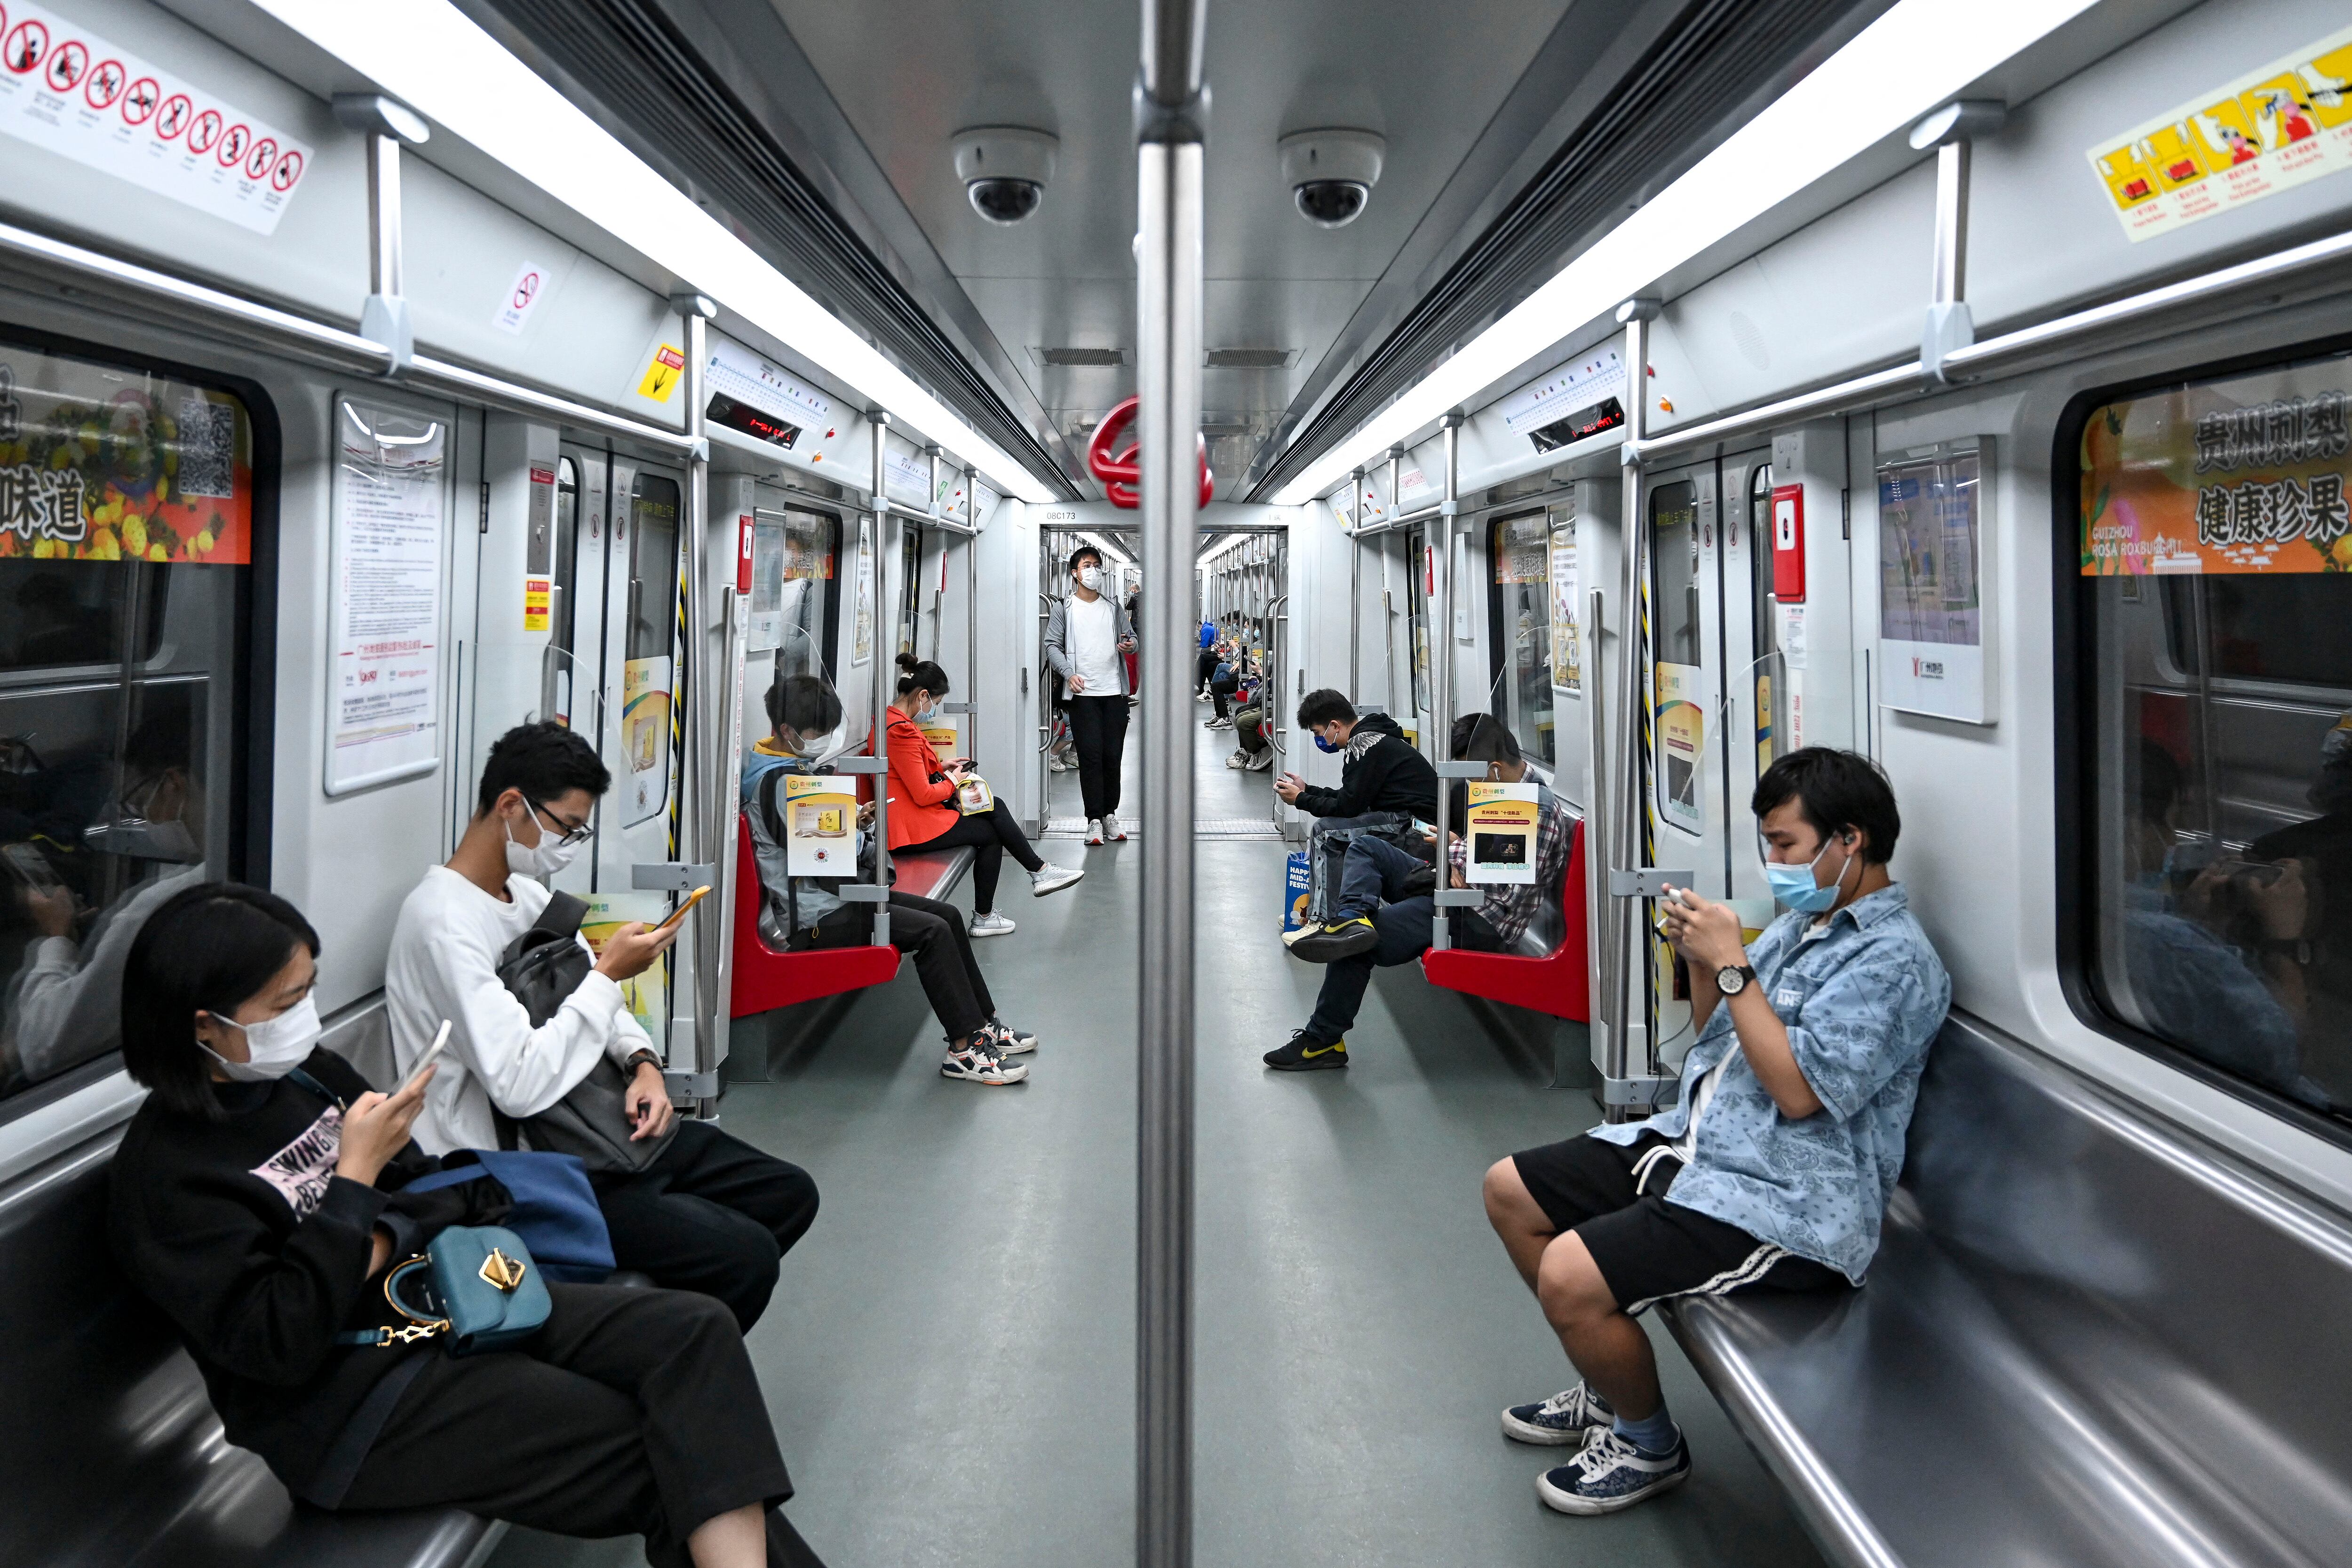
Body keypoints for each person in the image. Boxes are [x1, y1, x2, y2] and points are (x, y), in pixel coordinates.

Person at [108, 882, 824, 1568]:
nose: (308, 1017)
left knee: (695, 1332)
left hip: (445, 1299)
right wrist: (356, 1184)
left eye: (309, 990)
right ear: (206, 1025)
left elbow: (434, 1187)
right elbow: (281, 1340)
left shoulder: (305, 1078)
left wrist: (371, 1236)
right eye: (286, 1001)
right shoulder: (168, 1177)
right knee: (652, 1444)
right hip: (352, 1404)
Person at [1481, 748, 1948, 1516]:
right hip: (1705, 1145)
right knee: (1511, 1188)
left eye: (1788, 844)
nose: (1776, 861)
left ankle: (1647, 1441)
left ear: (1850, 839)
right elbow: (1722, 1045)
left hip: (1788, 1198)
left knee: (1569, 1272)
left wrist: (1733, 964)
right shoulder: (1809, 923)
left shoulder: (1894, 960)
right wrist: (1700, 962)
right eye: (1770, 842)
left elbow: (1797, 1095)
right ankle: (1607, 1387)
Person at [386, 722, 818, 1331]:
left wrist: (644, 1065)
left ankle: (661, 1330)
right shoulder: (443, 923)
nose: (569, 843)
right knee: (744, 1258)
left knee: (787, 1192)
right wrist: (610, 974)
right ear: (512, 806)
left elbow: (603, 1008)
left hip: (595, 1127)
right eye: (567, 826)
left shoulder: (527, 898)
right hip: (521, 1167)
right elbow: (520, 1082)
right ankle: (665, 1359)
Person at [746, 672, 1043, 1086]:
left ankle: (982, 1024)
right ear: (786, 731)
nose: (820, 743)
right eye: (816, 734)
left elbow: (819, 844)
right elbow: (829, 860)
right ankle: (963, 1049)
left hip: (834, 897)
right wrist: (860, 833)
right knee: (932, 932)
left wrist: (851, 822)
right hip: (819, 918)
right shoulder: (780, 783)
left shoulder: (791, 772)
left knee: (948, 917)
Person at [1265, 716, 1571, 1068]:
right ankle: (1349, 918)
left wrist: (1457, 855)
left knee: (1357, 948)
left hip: (1476, 917)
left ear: (1496, 770)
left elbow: (1496, 882)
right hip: (1455, 891)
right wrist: (1461, 855)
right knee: (1366, 847)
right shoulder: (1511, 793)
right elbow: (1483, 859)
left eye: (1473, 775)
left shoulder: (1534, 808)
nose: (1471, 784)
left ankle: (1321, 1043)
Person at [882, 653, 1082, 936]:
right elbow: (924, 794)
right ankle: (1026, 882)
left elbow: (903, 770)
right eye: (934, 704)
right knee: (990, 830)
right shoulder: (900, 731)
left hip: (908, 818)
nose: (932, 711)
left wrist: (942, 766)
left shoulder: (890, 721)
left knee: (994, 809)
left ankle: (1032, 878)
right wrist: (953, 780)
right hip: (907, 828)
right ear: (924, 695)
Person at [1275, 688, 1439, 935]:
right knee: (1335, 831)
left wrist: (1301, 800)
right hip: (1407, 818)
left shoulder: (1361, 745)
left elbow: (1348, 807)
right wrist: (1308, 790)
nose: (1320, 740)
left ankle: (1323, 922)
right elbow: (1352, 797)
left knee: (1325, 832)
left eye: (1319, 733)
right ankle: (1326, 911)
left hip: (1416, 826)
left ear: (1335, 726)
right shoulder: (1375, 738)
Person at [1042, 545, 1136, 845]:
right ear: (1075, 573)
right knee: (1090, 757)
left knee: (1113, 756)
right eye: (1087, 566)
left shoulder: (1114, 607)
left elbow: (1131, 637)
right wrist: (1069, 673)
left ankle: (1110, 814)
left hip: (1114, 694)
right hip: (1082, 696)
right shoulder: (1064, 609)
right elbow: (1051, 646)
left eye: (1097, 565)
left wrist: (1130, 645)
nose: (1093, 571)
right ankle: (1094, 819)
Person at [1197, 616, 1218, 698]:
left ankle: (1197, 681)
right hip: (1219, 650)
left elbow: (1204, 645)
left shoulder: (1205, 629)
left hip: (1221, 653)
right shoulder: (1207, 627)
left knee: (1203, 655)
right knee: (1207, 663)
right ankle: (1203, 688)